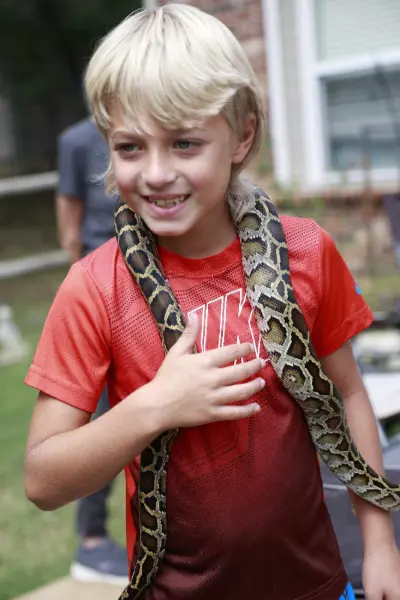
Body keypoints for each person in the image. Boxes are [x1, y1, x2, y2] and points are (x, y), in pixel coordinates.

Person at [24, 4, 400, 599]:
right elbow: (43, 480)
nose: (155, 173)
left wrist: (379, 543)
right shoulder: (95, 286)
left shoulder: (305, 250)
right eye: (128, 147)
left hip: (316, 585)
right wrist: (158, 406)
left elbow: (348, 394)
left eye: (184, 143)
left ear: (241, 136)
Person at [55, 117, 128, 584]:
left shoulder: (152, 125)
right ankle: (93, 541)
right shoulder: (75, 141)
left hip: (152, 284)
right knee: (101, 416)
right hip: (104, 286)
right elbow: (69, 222)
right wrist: (86, 288)